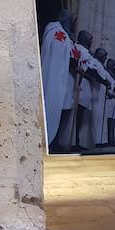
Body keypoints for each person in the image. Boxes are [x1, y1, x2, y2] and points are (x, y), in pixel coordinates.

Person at [40, 9, 75, 146]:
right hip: (48, 72)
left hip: (60, 77)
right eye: (69, 20)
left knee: (55, 106)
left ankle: (50, 139)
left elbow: (70, 55)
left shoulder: (66, 36)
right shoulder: (52, 27)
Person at [90, 46, 113, 146]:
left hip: (102, 95)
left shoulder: (102, 67)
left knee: (101, 119)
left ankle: (101, 140)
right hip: (95, 93)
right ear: (99, 54)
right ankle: (95, 140)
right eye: (104, 55)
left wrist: (108, 92)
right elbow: (94, 75)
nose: (105, 58)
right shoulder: (94, 62)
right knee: (96, 118)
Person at [105, 59, 115, 145]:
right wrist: (110, 92)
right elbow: (106, 85)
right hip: (108, 99)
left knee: (113, 119)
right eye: (113, 65)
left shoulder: (114, 77)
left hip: (114, 101)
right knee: (108, 119)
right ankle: (107, 139)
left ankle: (111, 138)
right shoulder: (106, 73)